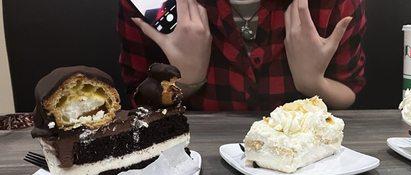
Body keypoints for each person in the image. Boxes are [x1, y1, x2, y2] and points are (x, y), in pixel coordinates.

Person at [118, 0, 366, 111]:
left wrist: (313, 82)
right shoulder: (151, 4)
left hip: (309, 159)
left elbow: (349, 90)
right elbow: (136, 103)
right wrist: (186, 80)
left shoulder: (333, 3)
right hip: (190, 161)